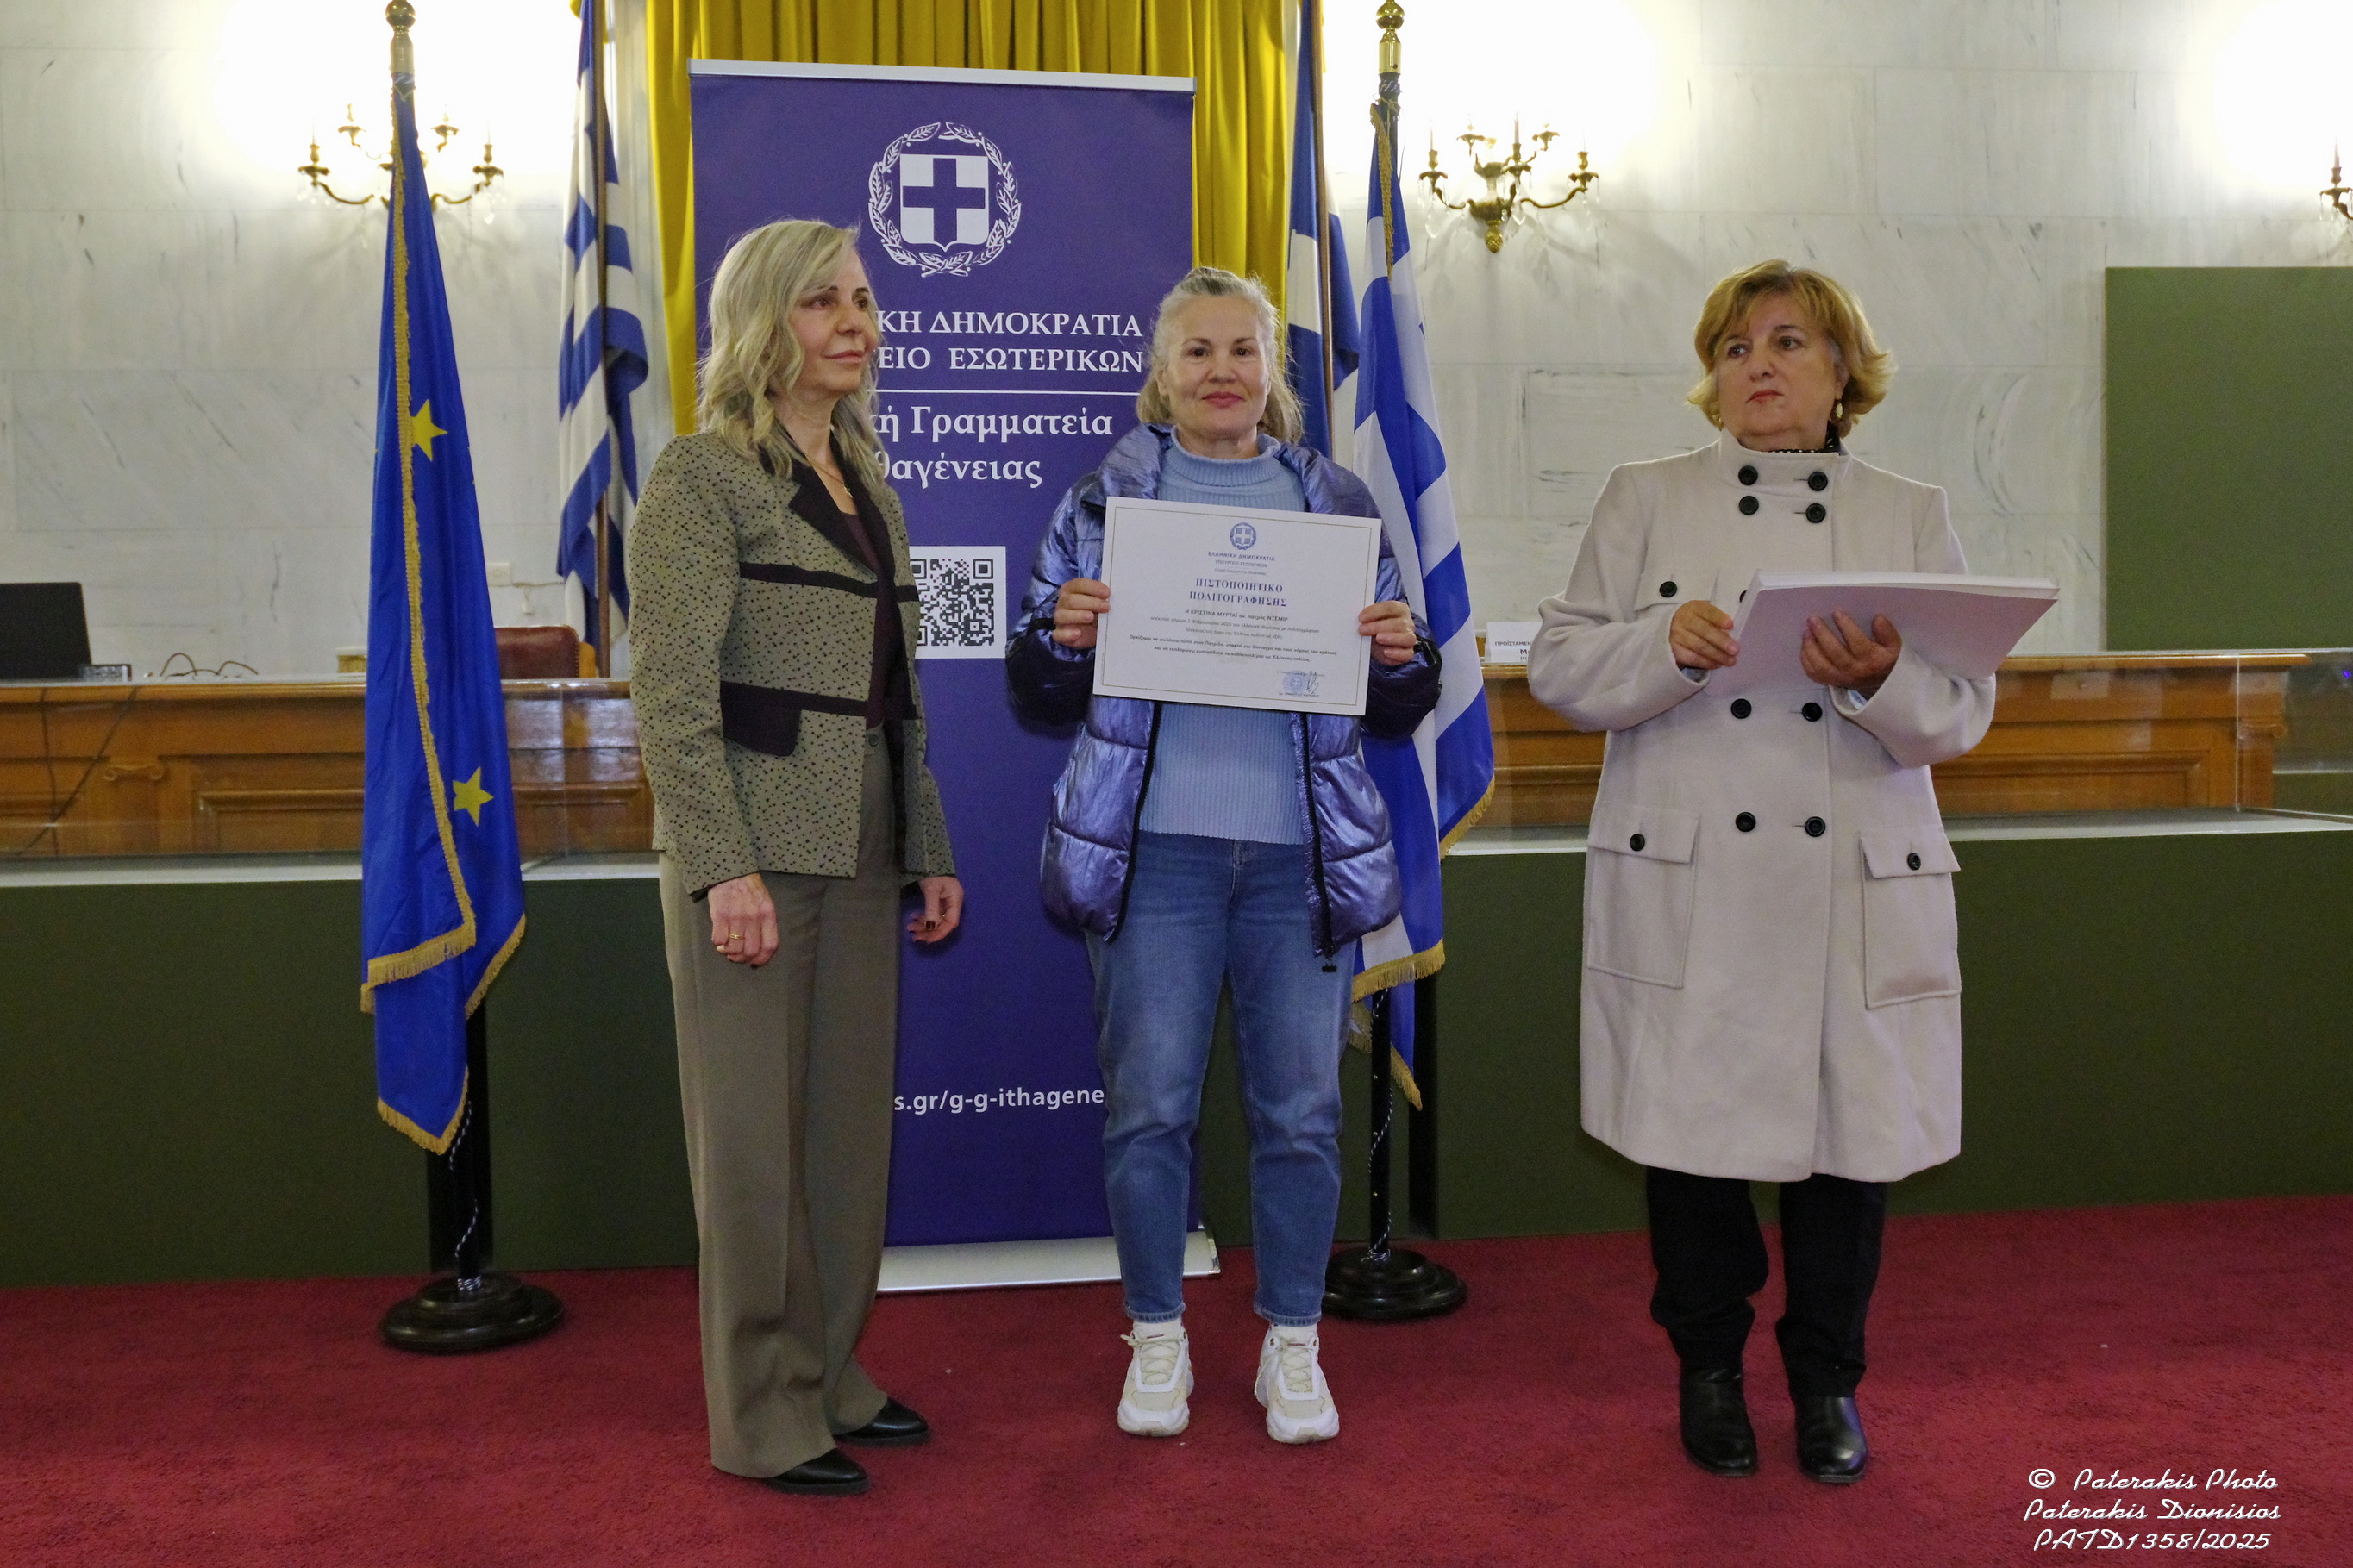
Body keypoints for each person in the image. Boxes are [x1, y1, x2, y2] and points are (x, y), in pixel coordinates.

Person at [1525, 260, 1994, 1485]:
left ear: (1843, 375)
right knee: (1689, 1149)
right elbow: (1560, 667)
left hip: (1848, 879)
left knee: (1850, 1153)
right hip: (1696, 881)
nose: (1758, 367)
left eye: (1788, 343)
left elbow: (1961, 711)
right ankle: (1709, 1371)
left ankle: (1829, 1384)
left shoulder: (1909, 511)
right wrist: (1663, 645)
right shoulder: (1645, 496)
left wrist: (1882, 678)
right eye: (1734, 349)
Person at [1007, 267, 1439, 1445]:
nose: (1220, 372)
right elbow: (1033, 684)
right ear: (1162, 373)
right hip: (1154, 857)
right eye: (1196, 352)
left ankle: (1292, 1343)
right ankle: (1157, 1334)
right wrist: (1062, 637)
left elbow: (1402, 696)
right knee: (1149, 1111)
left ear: (1270, 371)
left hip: (1300, 862)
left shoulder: (1336, 499)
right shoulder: (1103, 501)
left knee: (1300, 1114)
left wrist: (1400, 655)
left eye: (1241, 350)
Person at [628, 218, 963, 1499]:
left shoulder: (868, 480)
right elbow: (671, 696)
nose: (854, 324)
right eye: (824, 301)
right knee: (753, 1152)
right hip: (755, 853)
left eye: (863, 301)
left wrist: (926, 844)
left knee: (841, 1142)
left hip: (864, 845)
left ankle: (827, 1374)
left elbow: (897, 694)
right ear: (764, 320)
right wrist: (722, 867)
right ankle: (761, 1415)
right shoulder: (699, 477)